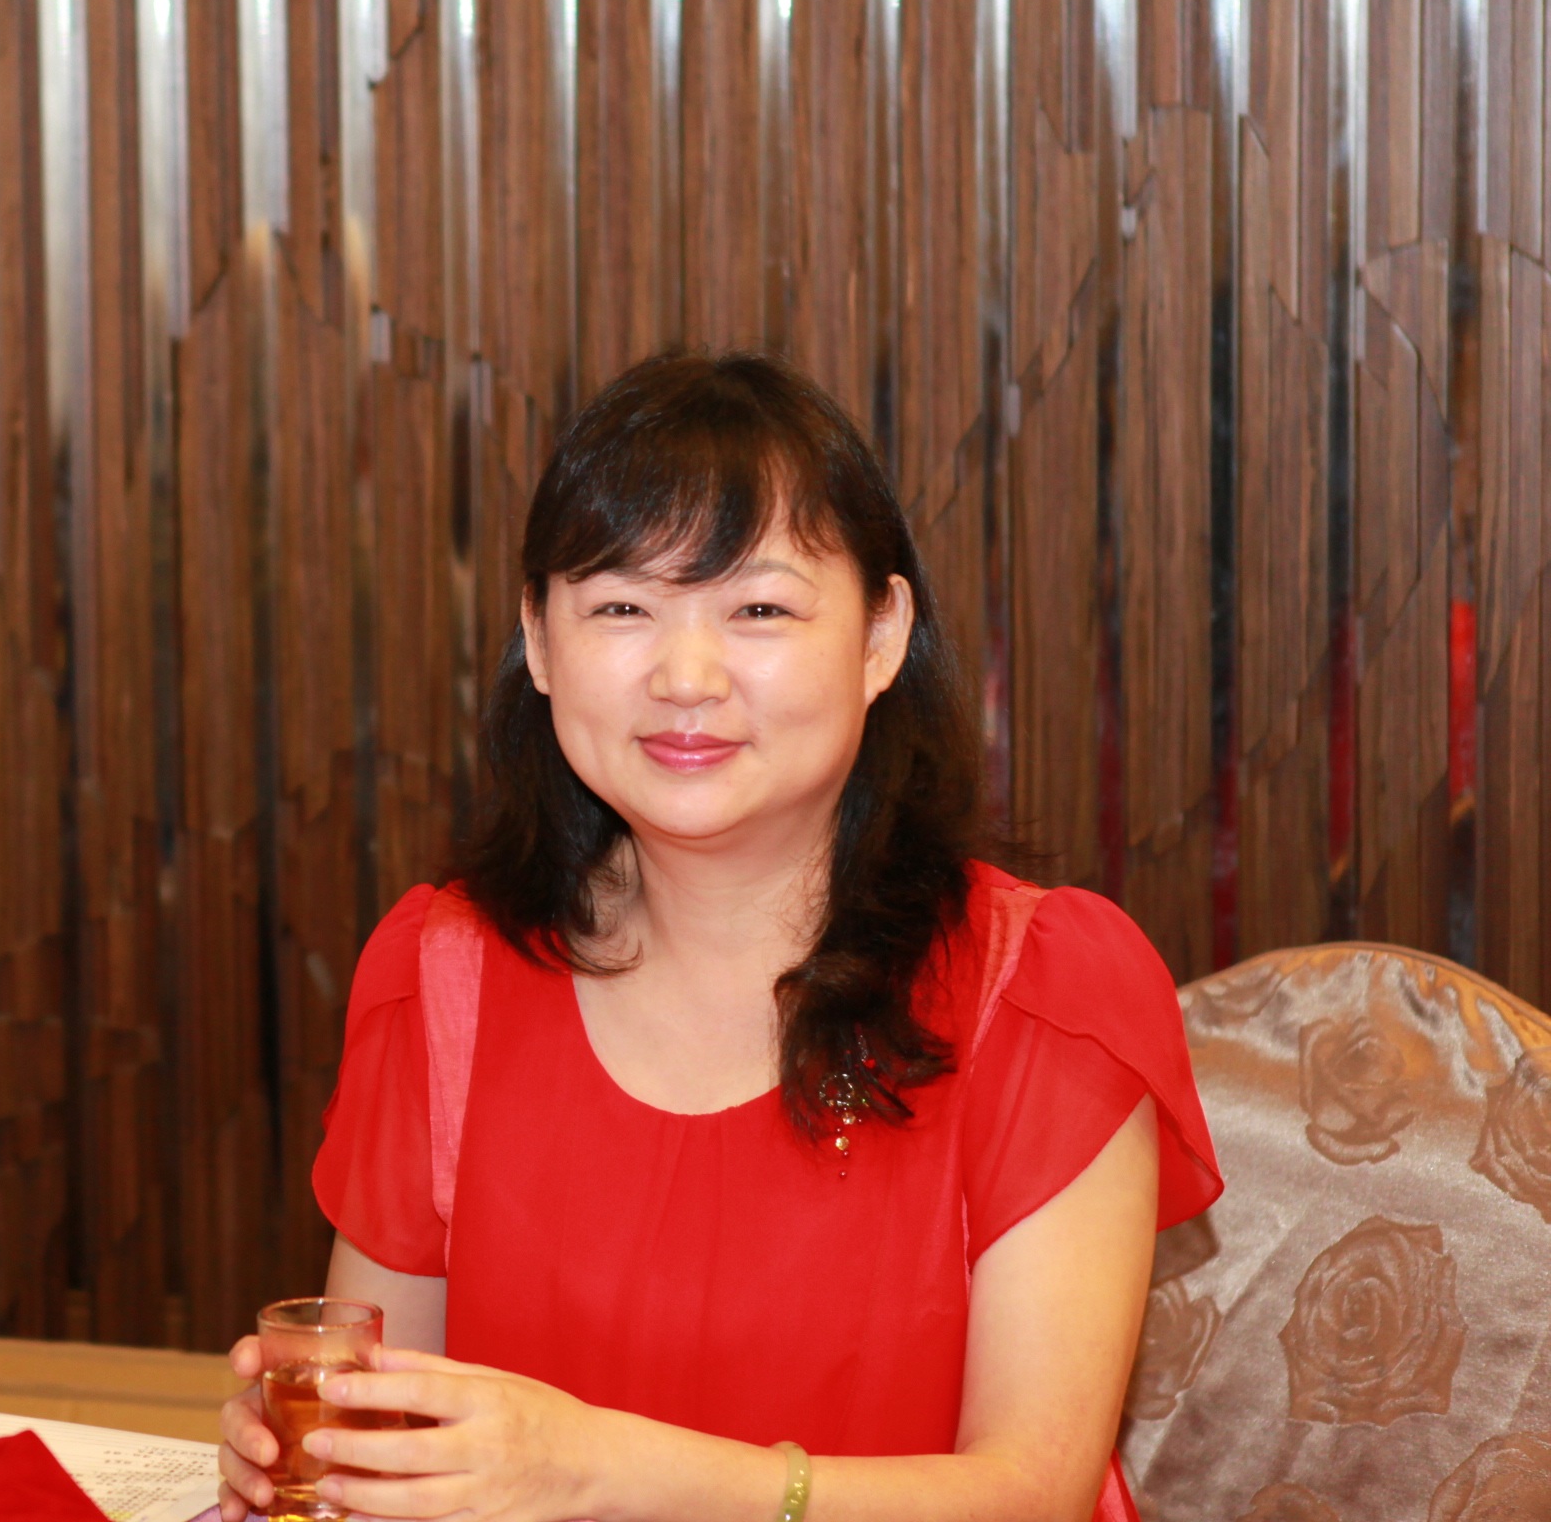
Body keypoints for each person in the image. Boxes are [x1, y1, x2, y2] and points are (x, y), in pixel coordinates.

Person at [218, 352, 1220, 1522]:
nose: (685, 676)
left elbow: (1029, 1496)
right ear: (538, 638)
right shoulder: (444, 975)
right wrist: (321, 1461)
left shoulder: (1040, 990)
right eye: (622, 607)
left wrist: (600, 1472)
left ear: (883, 635)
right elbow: (384, 1418)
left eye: (759, 609)